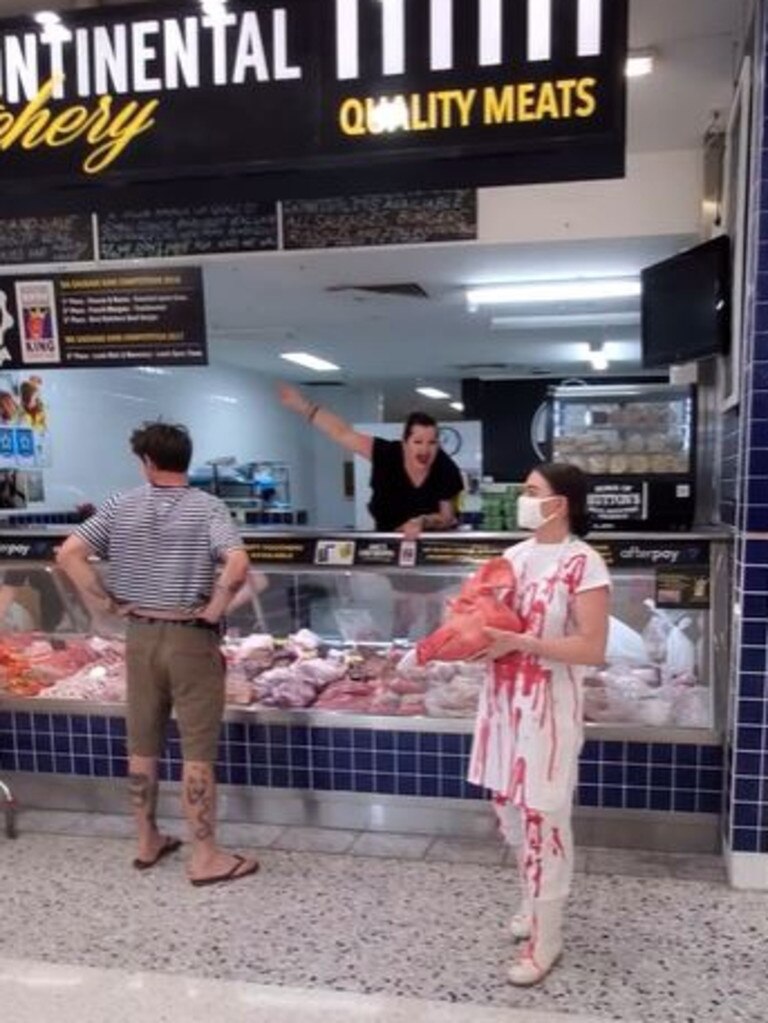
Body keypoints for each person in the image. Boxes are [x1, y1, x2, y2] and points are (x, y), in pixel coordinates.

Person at [56, 421, 258, 887]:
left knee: (143, 746)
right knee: (198, 752)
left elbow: (69, 554)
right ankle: (205, 855)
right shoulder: (208, 507)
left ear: (147, 462)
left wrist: (104, 599)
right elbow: (239, 562)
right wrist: (215, 608)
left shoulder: (120, 505)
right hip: (190, 637)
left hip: (140, 635)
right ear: (186, 458)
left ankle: (146, 840)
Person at [467, 463, 610, 986]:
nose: (523, 499)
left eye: (530, 491)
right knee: (507, 812)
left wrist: (525, 644)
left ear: (560, 503)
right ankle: (532, 903)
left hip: (548, 711)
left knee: (544, 818)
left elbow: (591, 648)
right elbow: (489, 621)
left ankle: (546, 939)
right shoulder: (512, 557)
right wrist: (468, 637)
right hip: (502, 706)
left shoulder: (584, 564)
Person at [277, 383, 463, 537]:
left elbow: (447, 517)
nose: (425, 449)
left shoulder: (445, 468)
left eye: (432, 443)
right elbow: (342, 433)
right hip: (386, 540)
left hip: (430, 547)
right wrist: (303, 406)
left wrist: (422, 521)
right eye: (418, 442)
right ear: (405, 443)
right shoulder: (386, 453)